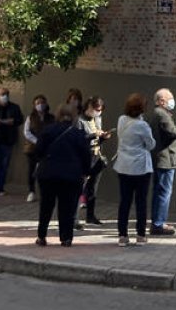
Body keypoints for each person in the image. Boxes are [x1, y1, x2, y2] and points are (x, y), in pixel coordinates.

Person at [35, 104, 92, 248]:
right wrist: (86, 172)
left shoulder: (48, 130)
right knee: (68, 208)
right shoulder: (78, 134)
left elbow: (38, 151)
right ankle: (66, 238)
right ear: (74, 116)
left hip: (48, 174)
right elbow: (86, 156)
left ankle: (42, 236)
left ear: (58, 115)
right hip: (71, 176)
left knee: (46, 206)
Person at [115, 93, 156, 246]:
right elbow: (151, 144)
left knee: (124, 201)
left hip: (123, 166)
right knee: (141, 201)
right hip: (140, 168)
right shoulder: (142, 125)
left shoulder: (121, 120)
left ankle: (122, 235)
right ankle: (140, 234)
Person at [150, 88, 176, 236]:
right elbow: (173, 132)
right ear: (162, 100)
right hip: (165, 159)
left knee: (159, 191)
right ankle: (158, 223)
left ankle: (158, 221)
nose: (172, 102)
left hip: (160, 158)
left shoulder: (155, 113)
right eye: (170, 99)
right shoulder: (162, 115)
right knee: (164, 192)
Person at [79, 96, 112, 226]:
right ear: (89, 107)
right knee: (80, 188)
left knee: (93, 188)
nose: (98, 112)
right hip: (84, 157)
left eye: (100, 110)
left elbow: (98, 139)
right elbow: (79, 139)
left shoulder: (97, 119)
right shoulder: (80, 120)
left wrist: (104, 137)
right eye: (96, 109)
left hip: (96, 155)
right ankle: (74, 218)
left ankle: (90, 215)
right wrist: (94, 135)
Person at [23, 94, 55, 203]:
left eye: (42, 103)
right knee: (31, 170)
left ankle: (46, 191)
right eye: (37, 103)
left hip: (46, 148)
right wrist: (37, 141)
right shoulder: (30, 117)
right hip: (32, 148)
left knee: (46, 170)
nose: (40, 105)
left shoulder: (51, 118)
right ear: (34, 105)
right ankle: (31, 191)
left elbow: (53, 131)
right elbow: (26, 132)